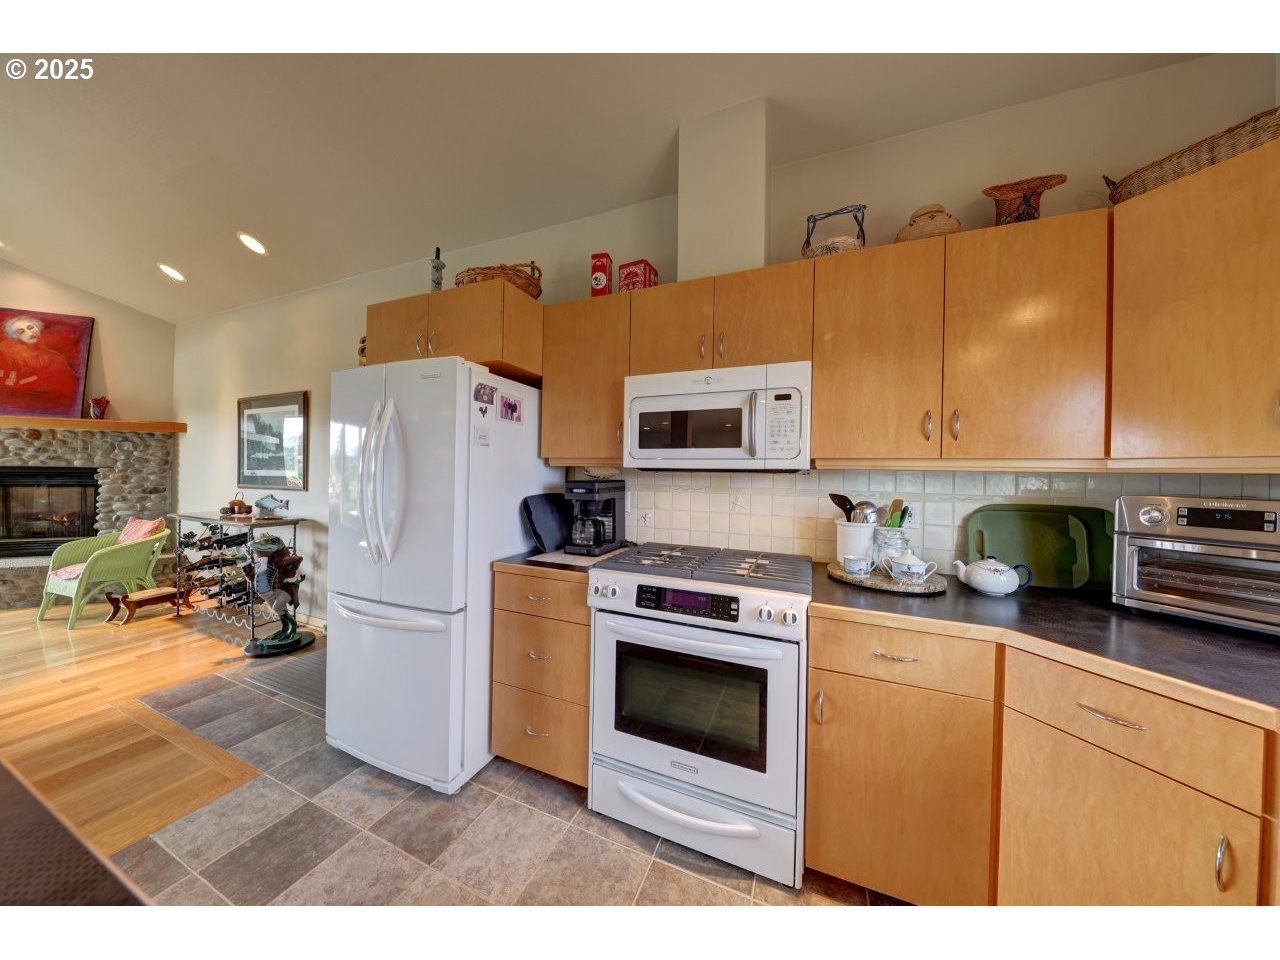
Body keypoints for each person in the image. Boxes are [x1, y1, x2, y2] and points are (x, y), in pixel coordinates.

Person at [0, 315, 81, 415]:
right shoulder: (9, 353)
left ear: (37, 327)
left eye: (31, 327)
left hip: (56, 411)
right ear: (16, 337)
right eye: (21, 332)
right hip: (19, 410)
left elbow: (72, 384)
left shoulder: (56, 357)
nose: (29, 333)